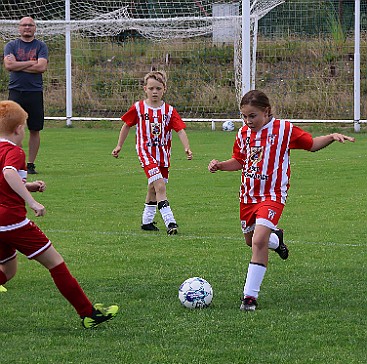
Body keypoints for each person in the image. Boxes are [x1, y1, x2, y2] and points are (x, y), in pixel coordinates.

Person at [208, 90, 355, 312]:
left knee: (258, 242)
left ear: (266, 111)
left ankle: (249, 297)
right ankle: (276, 239)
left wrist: (332, 136)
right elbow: (239, 161)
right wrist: (220, 165)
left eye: (253, 116)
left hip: (273, 195)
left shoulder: (284, 130)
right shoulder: (243, 134)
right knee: (251, 241)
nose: (248, 121)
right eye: (244, 116)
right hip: (248, 196)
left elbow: (311, 144)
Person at [0, 100, 119, 328]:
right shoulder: (15, 151)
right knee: (56, 263)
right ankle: (88, 314)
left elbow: (5, 182)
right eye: (24, 127)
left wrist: (29, 185)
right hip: (13, 222)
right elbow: (8, 174)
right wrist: (32, 201)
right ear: (18, 129)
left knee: (9, 270)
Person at [112, 71, 193, 235]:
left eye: (158, 88)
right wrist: (119, 145)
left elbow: (180, 130)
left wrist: (186, 147)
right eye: (151, 88)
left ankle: (147, 221)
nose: (154, 91)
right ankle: (170, 222)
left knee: (153, 187)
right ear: (145, 89)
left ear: (164, 89)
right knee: (160, 186)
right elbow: (127, 125)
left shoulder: (169, 111)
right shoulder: (138, 108)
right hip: (145, 152)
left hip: (163, 154)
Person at [3, 17, 48, 175]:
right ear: (19, 28)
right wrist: (30, 63)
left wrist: (19, 65)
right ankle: (14, 161)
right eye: (24, 25)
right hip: (16, 92)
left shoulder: (41, 46)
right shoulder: (11, 45)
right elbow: (9, 65)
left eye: (30, 25)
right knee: (12, 128)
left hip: (34, 92)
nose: (27, 28)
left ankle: (31, 164)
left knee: (35, 129)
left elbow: (41, 67)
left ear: (35, 28)